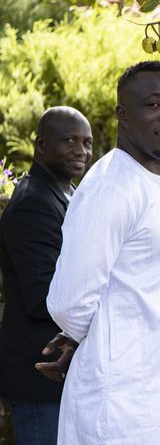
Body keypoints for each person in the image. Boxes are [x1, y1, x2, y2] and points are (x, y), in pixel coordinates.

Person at [46, 61, 160, 444]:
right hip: (124, 409)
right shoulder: (112, 187)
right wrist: (94, 340)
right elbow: (69, 303)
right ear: (123, 115)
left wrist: (85, 337)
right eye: (153, 105)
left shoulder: (145, 181)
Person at [0, 107, 92, 445]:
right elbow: (44, 299)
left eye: (87, 142)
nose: (81, 151)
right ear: (40, 144)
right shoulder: (32, 204)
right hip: (39, 376)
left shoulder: (65, 194)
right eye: (69, 140)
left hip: (62, 377)